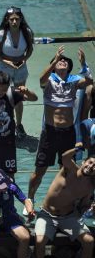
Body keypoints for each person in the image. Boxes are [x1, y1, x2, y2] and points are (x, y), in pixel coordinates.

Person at [27, 46, 93, 205]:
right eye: (59, 60)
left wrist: (84, 64)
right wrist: (54, 60)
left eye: (65, 61)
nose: (62, 61)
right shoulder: (49, 81)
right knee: (39, 171)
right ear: (54, 65)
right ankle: (30, 197)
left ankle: (65, 200)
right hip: (50, 133)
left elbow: (89, 82)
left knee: (67, 169)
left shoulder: (73, 81)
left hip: (68, 133)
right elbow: (41, 79)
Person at [33, 145, 95, 258]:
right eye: (90, 162)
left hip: (68, 217)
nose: (91, 167)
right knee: (40, 241)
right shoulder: (69, 169)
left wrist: (89, 209)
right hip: (47, 214)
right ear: (84, 162)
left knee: (89, 241)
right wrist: (76, 149)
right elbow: (65, 157)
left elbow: (83, 207)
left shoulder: (89, 186)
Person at [0, 7, 35, 138]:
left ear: (21, 20)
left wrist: (24, 59)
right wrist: (5, 61)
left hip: (21, 68)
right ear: (7, 20)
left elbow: (30, 49)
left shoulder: (27, 32)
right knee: (1, 97)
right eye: (12, 19)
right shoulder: (2, 34)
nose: (14, 22)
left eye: (17, 19)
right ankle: (1, 124)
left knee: (19, 97)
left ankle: (18, 125)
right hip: (5, 69)